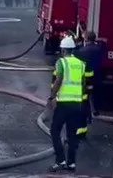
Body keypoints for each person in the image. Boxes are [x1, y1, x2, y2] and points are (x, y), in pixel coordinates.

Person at [48, 35, 86, 172]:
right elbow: (83, 83)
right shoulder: (81, 64)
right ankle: (71, 163)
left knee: (55, 130)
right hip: (77, 104)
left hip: (64, 103)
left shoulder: (62, 62)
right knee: (72, 134)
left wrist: (52, 97)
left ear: (63, 50)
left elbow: (58, 80)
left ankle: (60, 160)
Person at [73, 31, 103, 139]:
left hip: (87, 78)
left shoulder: (82, 51)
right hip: (98, 76)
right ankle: (95, 110)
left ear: (86, 39)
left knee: (85, 100)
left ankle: (89, 114)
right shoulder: (99, 49)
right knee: (95, 94)